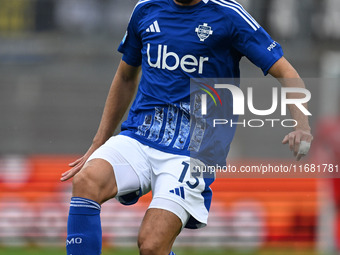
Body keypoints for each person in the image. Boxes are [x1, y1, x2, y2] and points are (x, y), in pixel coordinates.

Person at [61, 0, 313, 254]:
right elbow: (126, 76)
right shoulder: (146, 9)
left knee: (152, 245)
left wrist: (301, 125)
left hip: (193, 152)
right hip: (140, 136)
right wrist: (98, 142)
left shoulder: (228, 15)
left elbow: (286, 72)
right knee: (86, 181)